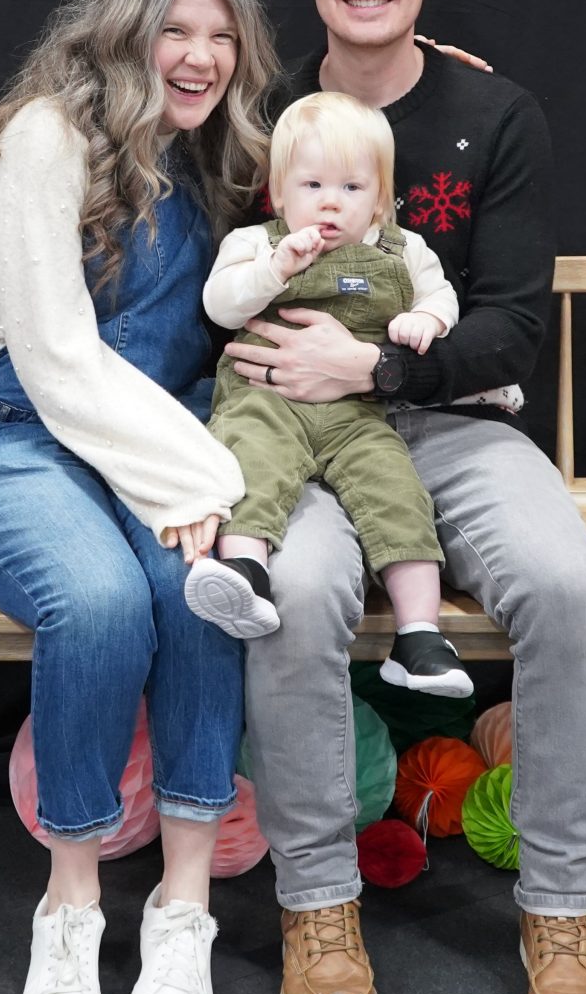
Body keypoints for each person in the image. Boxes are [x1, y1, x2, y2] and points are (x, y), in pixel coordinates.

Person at [0, 0, 586, 994]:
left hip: (445, 421)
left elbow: (516, 325)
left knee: (568, 584)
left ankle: (563, 912)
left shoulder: (490, 114)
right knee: (279, 590)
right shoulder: (260, 119)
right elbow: (102, 213)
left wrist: (377, 368)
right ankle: (315, 909)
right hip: (269, 431)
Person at [0, 0, 279, 994]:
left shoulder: (225, 153)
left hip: (144, 438)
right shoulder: (44, 138)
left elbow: (352, 168)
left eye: (221, 35)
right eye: (175, 29)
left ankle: (183, 906)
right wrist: (206, 478)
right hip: (7, 433)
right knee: (101, 599)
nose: (199, 56)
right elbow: (57, 361)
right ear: (123, 29)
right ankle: (70, 905)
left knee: (195, 592)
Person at [182, 91, 475, 701]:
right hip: (266, 400)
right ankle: (245, 572)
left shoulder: (404, 250)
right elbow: (220, 305)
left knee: (397, 490)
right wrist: (274, 270)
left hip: (357, 414)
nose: (331, 202)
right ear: (279, 192)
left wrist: (426, 320)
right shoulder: (255, 243)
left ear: (380, 198)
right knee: (248, 460)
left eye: (352, 187)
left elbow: (442, 296)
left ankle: (420, 636)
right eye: (312, 185)